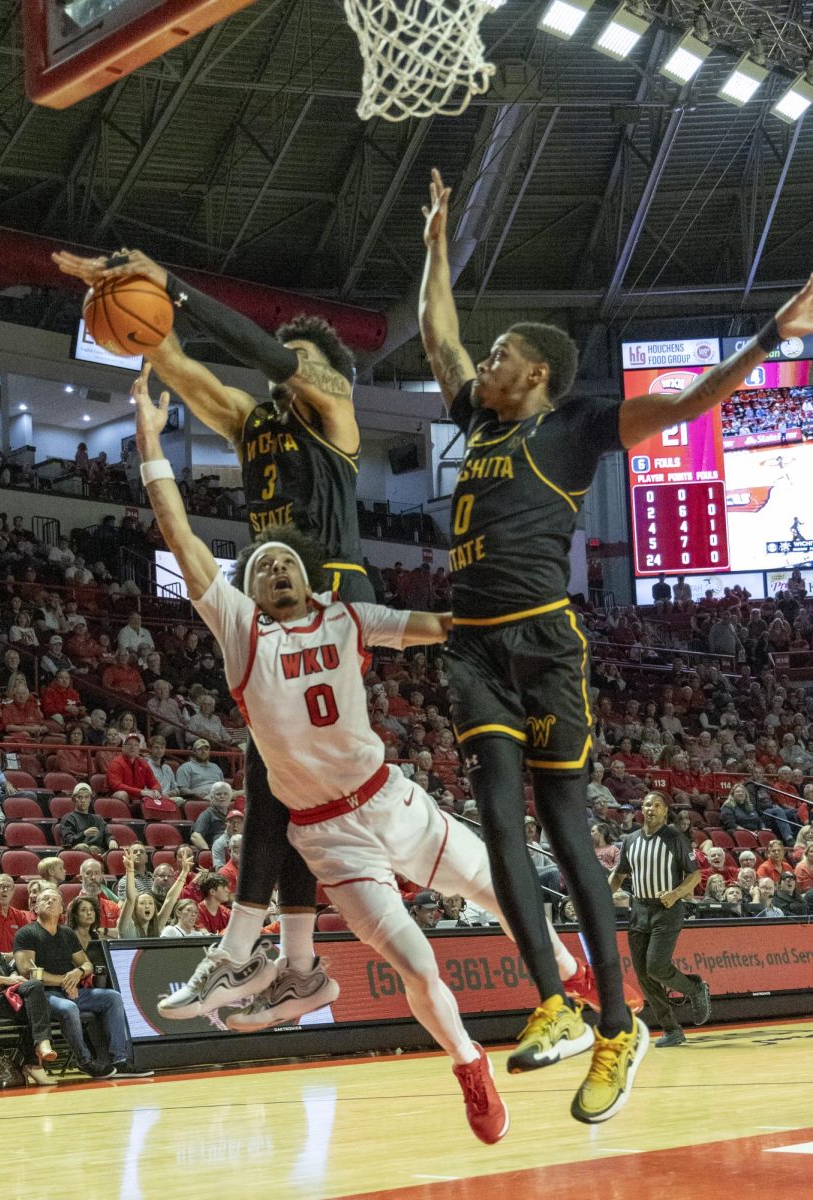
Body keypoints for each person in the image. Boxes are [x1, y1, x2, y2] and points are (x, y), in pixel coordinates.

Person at [418, 166, 813, 1123]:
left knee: (565, 838)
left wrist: (770, 338)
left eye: (503, 353)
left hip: (545, 646)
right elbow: (438, 335)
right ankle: (549, 1004)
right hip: (472, 649)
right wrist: (435, 244)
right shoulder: (476, 417)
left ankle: (614, 1025)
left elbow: (687, 407)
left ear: (537, 374)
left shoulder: (580, 428)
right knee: (498, 832)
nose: (487, 363)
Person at [129, 379, 543, 1143]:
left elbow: (442, 625)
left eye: (286, 564)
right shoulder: (239, 629)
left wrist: (516, 610)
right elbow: (180, 535)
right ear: (246, 590)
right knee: (420, 969)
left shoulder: (351, 616)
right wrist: (150, 440)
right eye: (262, 569)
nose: (276, 572)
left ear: (308, 577)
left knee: (504, 893)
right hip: (331, 838)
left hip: (392, 801)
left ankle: (575, 987)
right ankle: (468, 1064)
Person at [54, 244, 377, 1048]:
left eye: (297, 359)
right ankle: (296, 958)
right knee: (283, 782)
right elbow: (171, 355)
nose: (282, 368)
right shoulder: (251, 418)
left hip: (331, 598)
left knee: (277, 775)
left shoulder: (334, 412)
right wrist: (122, 299)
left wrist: (171, 285)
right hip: (274, 610)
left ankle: (241, 948)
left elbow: (264, 352)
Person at [12, 889, 150, 1079]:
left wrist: (78, 973)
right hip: (44, 995)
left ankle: (119, 1059)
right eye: (45, 899)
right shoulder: (26, 933)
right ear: (35, 907)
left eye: (55, 899)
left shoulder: (67, 933)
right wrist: (64, 980)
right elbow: (28, 972)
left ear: (62, 908)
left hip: (71, 990)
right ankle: (85, 1061)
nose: (50, 902)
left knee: (113, 997)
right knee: (69, 1008)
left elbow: (86, 964)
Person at [609, 793, 709, 1049]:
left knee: (655, 966)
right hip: (639, 909)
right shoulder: (630, 840)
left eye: (656, 805)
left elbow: (695, 876)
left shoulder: (675, 838)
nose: (651, 809)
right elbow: (619, 876)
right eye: (647, 805)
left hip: (668, 909)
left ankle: (695, 988)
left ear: (665, 811)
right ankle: (672, 1029)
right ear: (641, 809)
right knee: (644, 975)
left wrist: (675, 893)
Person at [0, 946, 58, 1086]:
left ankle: (43, 1043)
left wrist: (13, 976)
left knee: (34, 986)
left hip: (5, 992)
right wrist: (6, 980)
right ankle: (34, 1064)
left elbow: (8, 969)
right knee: (34, 1008)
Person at [117, 848, 188, 937]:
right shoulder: (126, 926)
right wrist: (130, 871)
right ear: (134, 908)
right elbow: (130, 899)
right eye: (142, 903)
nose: (147, 906)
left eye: (151, 903)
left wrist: (184, 872)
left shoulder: (157, 926)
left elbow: (170, 899)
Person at [58, 782, 118, 854]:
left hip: (98, 850)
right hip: (77, 852)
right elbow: (68, 840)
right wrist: (84, 834)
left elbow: (107, 835)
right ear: (74, 799)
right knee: (82, 846)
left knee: (96, 849)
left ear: (90, 799)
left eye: (86, 797)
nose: (83, 800)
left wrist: (111, 840)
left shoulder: (98, 819)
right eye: (80, 797)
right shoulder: (69, 818)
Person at [190, 780, 233, 850]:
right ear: (212, 798)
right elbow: (195, 836)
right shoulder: (207, 814)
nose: (222, 796)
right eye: (218, 794)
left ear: (230, 797)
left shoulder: (235, 814)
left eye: (226, 794)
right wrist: (208, 852)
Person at [0, 873, 31, 954]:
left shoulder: (19, 916)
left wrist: (12, 956)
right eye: (1, 886)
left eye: (8, 887)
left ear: (13, 890)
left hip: (14, 963)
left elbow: (28, 945)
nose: (5, 890)